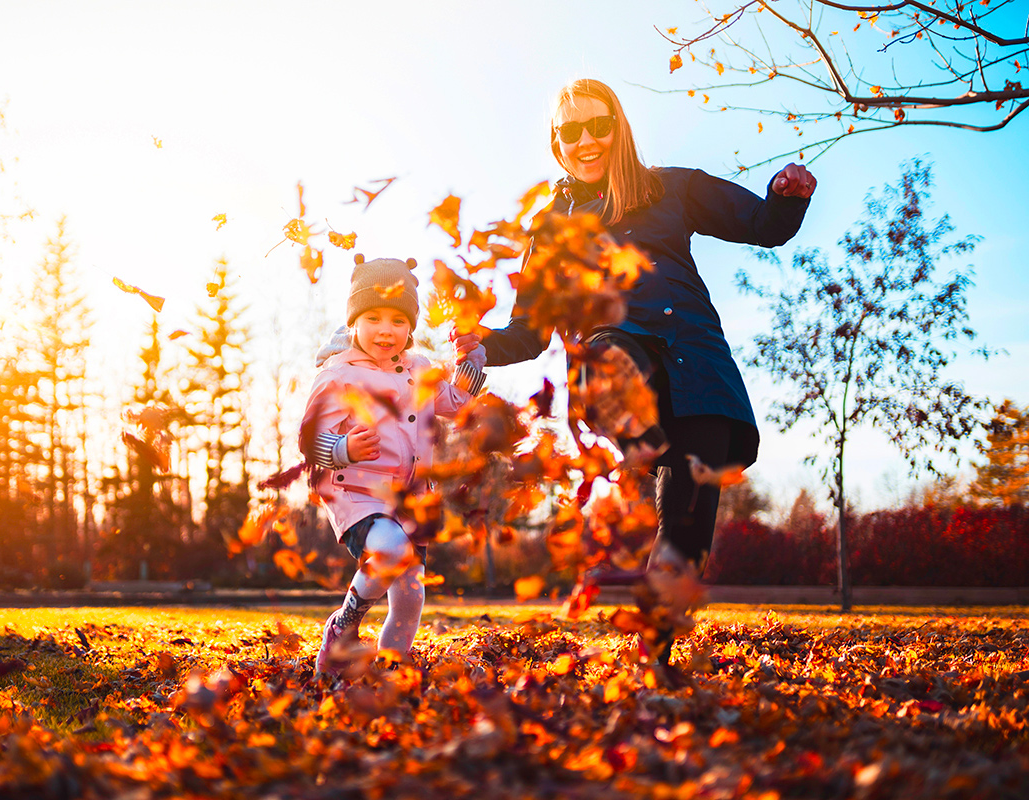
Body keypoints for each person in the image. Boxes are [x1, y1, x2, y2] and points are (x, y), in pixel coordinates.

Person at [452, 78, 816, 661]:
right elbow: (527, 330)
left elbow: (764, 226)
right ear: (556, 142)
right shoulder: (549, 229)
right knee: (609, 354)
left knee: (685, 533)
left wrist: (786, 195)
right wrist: (482, 346)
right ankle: (633, 453)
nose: (587, 140)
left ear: (618, 128)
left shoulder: (671, 189)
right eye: (572, 131)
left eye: (599, 126)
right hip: (619, 360)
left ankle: (652, 658)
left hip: (697, 370)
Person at [301, 254, 486, 675]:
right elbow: (310, 439)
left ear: (410, 328)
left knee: (410, 596)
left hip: (412, 499)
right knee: (388, 550)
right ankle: (343, 625)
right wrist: (344, 447)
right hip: (358, 493)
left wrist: (471, 359)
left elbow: (458, 406)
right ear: (354, 322)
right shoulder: (338, 374)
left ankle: (393, 668)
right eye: (374, 317)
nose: (387, 330)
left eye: (398, 321)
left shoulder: (419, 370)